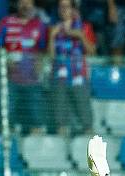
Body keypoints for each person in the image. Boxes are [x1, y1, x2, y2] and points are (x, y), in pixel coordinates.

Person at [0, 0, 48, 134]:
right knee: (7, 118)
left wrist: (40, 61)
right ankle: (7, 147)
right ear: (17, 4)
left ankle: (35, 147)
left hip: (33, 80)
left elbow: (45, 50)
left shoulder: (39, 25)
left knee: (35, 117)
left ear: (34, 5)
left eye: (28, 3)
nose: (25, 6)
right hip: (10, 81)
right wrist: (5, 58)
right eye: (22, 2)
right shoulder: (6, 22)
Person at [48, 0, 96, 136]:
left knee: (84, 112)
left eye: (66, 6)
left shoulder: (85, 27)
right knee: (60, 115)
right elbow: (51, 56)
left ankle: (88, 138)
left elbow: (92, 51)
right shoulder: (53, 28)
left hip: (79, 76)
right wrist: (52, 37)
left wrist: (81, 36)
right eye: (60, 6)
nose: (63, 9)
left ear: (73, 9)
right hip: (59, 77)